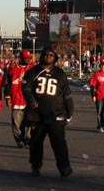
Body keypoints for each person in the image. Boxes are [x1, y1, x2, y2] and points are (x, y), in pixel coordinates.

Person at [22, 47, 74, 178]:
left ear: (55, 57)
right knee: (36, 143)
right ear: (42, 56)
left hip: (56, 113)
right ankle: (36, 165)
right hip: (37, 115)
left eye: (51, 55)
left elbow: (67, 95)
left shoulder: (60, 74)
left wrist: (69, 111)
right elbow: (26, 88)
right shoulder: (33, 72)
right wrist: (31, 100)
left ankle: (64, 167)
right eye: (46, 55)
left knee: (59, 143)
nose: (48, 57)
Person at [4, 50, 34, 147]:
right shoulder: (13, 69)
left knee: (31, 121)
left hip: (29, 100)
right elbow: (7, 84)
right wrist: (7, 97)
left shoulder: (33, 69)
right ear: (21, 58)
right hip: (16, 99)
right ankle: (19, 139)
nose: (28, 60)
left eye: (30, 58)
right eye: (26, 58)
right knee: (16, 123)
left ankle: (29, 138)